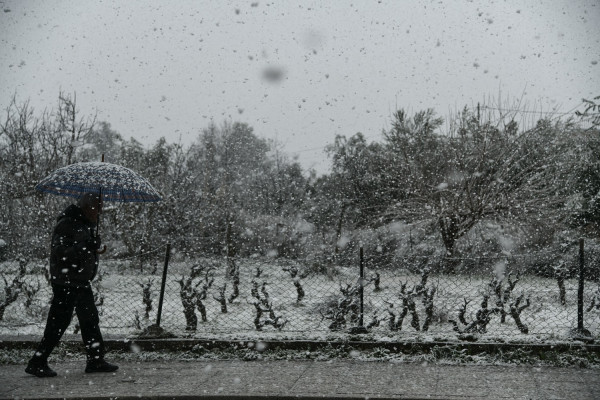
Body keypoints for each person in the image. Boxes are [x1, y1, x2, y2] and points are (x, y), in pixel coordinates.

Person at [26, 193, 118, 378]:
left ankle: (95, 360)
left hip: (79, 281)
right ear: (87, 206)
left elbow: (80, 249)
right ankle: (37, 362)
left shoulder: (83, 224)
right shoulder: (68, 224)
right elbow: (61, 252)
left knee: (89, 319)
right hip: (66, 281)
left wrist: (92, 245)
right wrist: (85, 246)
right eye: (97, 206)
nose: (99, 211)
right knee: (59, 322)